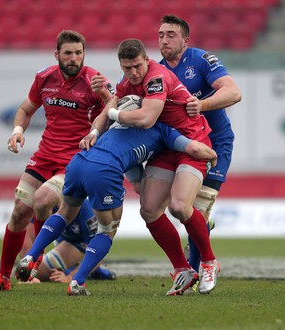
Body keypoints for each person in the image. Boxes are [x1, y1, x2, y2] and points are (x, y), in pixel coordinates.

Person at [15, 100, 218, 296]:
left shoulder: (115, 125)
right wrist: (212, 155)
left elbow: (135, 176)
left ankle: (31, 255)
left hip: (78, 161)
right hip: (104, 170)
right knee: (106, 230)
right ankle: (78, 281)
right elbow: (194, 149)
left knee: (64, 213)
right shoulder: (163, 130)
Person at [0, 30, 113, 291]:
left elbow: (113, 112)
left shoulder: (95, 81)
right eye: (68, 53)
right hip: (44, 156)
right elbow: (26, 110)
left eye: (79, 53)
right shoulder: (44, 77)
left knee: (42, 200)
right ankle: (3, 278)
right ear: (57, 55)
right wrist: (17, 131)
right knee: (18, 212)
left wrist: (107, 98)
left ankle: (35, 256)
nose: (74, 58)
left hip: (74, 161)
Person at [92, 38, 220, 295]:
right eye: (127, 68)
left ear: (146, 60)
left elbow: (147, 118)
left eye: (138, 66)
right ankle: (183, 269)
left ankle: (209, 261)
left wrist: (115, 114)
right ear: (122, 65)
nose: (134, 73)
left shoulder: (157, 77)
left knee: (179, 206)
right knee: (149, 210)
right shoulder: (126, 83)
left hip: (191, 145)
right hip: (164, 148)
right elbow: (108, 109)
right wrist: (94, 132)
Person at [158, 15, 242, 276]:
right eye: (161, 35)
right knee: (183, 209)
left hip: (216, 143)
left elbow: (233, 92)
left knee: (197, 210)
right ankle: (195, 262)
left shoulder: (202, 60)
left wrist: (203, 104)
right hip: (186, 147)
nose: (164, 40)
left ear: (185, 40)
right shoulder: (158, 72)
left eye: (171, 35)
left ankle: (194, 272)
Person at [18, 201, 116, 284]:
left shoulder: (85, 209)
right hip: (61, 240)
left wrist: (70, 276)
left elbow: (98, 251)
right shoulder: (42, 203)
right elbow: (27, 239)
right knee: (35, 271)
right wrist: (26, 272)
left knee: (41, 272)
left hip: (80, 244)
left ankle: (91, 270)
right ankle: (91, 271)